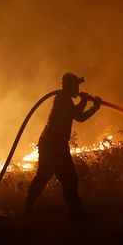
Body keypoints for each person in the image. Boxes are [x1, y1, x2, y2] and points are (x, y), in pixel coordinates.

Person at [24, 73, 102, 224]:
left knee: (66, 179)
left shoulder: (64, 99)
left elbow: (76, 114)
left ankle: (75, 215)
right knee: (55, 177)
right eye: (76, 87)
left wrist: (89, 104)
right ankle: (30, 210)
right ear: (68, 86)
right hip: (52, 145)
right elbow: (79, 116)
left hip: (56, 145)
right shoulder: (62, 99)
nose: (77, 90)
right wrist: (91, 105)